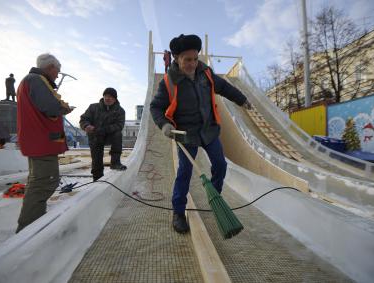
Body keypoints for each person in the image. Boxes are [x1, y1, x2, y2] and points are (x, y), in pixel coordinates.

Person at [150, 34, 252, 234]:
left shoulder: (205, 74)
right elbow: (156, 107)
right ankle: (178, 212)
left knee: (220, 165)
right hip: (186, 134)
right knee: (184, 173)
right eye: (187, 59)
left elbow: (224, 87)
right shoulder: (169, 82)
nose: (192, 64)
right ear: (177, 58)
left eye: (195, 59)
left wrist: (242, 100)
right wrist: (164, 125)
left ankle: (215, 198)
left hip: (209, 130)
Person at [16, 53, 73, 233]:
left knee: (39, 181)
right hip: (41, 141)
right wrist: (64, 108)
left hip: (37, 140)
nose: (57, 75)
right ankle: (29, 229)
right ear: (50, 68)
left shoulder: (30, 81)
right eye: (57, 71)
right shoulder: (36, 80)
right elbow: (51, 107)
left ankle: (34, 221)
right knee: (45, 182)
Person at [80, 87, 127, 181]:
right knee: (96, 160)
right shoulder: (93, 107)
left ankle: (115, 162)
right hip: (95, 136)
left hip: (109, 136)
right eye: (106, 96)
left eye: (110, 97)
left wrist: (104, 130)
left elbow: (119, 125)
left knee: (118, 134)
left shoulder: (120, 111)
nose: (107, 98)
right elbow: (84, 119)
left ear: (115, 99)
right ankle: (97, 179)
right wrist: (86, 126)